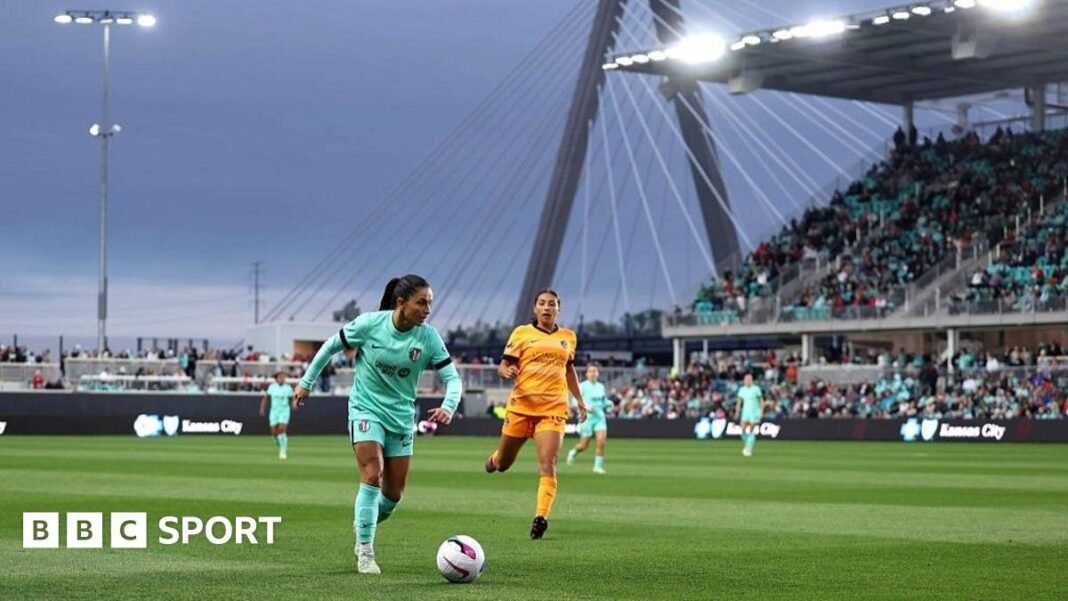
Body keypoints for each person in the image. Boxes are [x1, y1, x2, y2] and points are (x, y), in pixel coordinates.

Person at [294, 274, 460, 575]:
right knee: (373, 473)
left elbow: (452, 379)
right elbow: (330, 346)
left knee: (393, 495)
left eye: (430, 303)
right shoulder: (370, 324)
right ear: (401, 303)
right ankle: (366, 553)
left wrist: (449, 406)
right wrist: (306, 383)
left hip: (400, 417)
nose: (427, 309)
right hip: (365, 410)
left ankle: (364, 522)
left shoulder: (429, 337)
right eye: (421, 302)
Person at [484, 289, 588, 540]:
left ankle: (540, 517)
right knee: (504, 464)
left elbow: (569, 370)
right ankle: (497, 458)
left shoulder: (568, 337)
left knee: (548, 464)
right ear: (535, 308)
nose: (546, 308)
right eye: (542, 303)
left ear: (558, 309)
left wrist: (580, 400)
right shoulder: (521, 333)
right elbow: (504, 365)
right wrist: (506, 372)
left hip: (552, 409)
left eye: (551, 304)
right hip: (521, 407)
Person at [566, 364, 610, 474]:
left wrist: (609, 403)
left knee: (601, 441)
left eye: (595, 371)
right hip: (587, 418)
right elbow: (574, 401)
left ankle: (597, 467)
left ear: (598, 373)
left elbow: (603, 401)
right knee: (584, 445)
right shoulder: (582, 386)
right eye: (590, 371)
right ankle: (573, 452)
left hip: (599, 417)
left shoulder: (601, 386)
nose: (593, 373)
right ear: (587, 374)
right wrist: (588, 407)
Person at [259, 372, 295, 460]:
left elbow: (293, 397)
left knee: (281, 429)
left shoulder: (288, 388)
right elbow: (266, 398)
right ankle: (281, 444)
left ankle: (283, 451)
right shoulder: (272, 387)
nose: (283, 378)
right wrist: (262, 409)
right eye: (281, 377)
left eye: (284, 377)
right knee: (274, 433)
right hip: (274, 411)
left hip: (284, 410)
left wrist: (294, 403)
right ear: (276, 378)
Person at [734, 372, 763, 457]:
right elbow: (739, 402)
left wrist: (761, 411)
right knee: (742, 430)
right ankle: (747, 445)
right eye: (746, 379)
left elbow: (761, 401)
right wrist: (737, 412)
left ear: (752, 380)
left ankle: (748, 449)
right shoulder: (742, 390)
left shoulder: (756, 389)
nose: (747, 381)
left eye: (749, 379)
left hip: (754, 412)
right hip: (745, 412)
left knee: (751, 430)